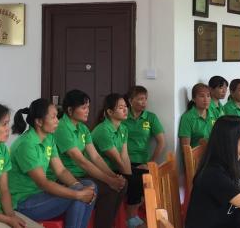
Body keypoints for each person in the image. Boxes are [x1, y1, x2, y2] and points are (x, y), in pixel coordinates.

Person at [9, 98, 96, 228]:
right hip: (24, 203)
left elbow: (61, 171)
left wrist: (78, 186)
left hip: (41, 195)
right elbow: (43, 183)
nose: (57, 121)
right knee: (78, 195)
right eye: (53, 117)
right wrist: (78, 193)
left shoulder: (49, 137)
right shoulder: (26, 145)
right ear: (39, 122)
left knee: (89, 186)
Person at [52, 90, 127, 228]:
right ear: (70, 110)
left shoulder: (83, 128)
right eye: (83, 107)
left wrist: (113, 177)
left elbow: (95, 157)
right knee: (106, 189)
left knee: (121, 185)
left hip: (81, 174)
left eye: (88, 107)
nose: (87, 111)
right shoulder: (62, 128)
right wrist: (109, 181)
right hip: (66, 177)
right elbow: (81, 161)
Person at [91, 94, 142, 228]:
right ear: (110, 112)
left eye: (126, 106)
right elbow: (117, 159)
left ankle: (132, 214)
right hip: (103, 170)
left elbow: (125, 156)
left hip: (117, 168)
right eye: (120, 107)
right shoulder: (103, 130)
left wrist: (129, 174)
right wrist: (129, 177)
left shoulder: (123, 128)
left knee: (144, 176)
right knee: (134, 180)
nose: (125, 110)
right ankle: (130, 217)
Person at [123, 86, 165, 224]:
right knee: (135, 179)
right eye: (140, 99)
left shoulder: (151, 117)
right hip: (124, 161)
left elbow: (161, 142)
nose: (144, 102)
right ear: (130, 101)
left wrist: (149, 163)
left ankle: (136, 213)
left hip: (143, 162)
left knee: (148, 176)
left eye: (145, 99)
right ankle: (131, 216)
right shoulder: (123, 116)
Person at [179, 83, 217, 147]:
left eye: (208, 96)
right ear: (194, 99)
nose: (206, 99)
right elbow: (186, 148)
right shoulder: (187, 118)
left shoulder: (214, 113)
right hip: (197, 153)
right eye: (202, 96)